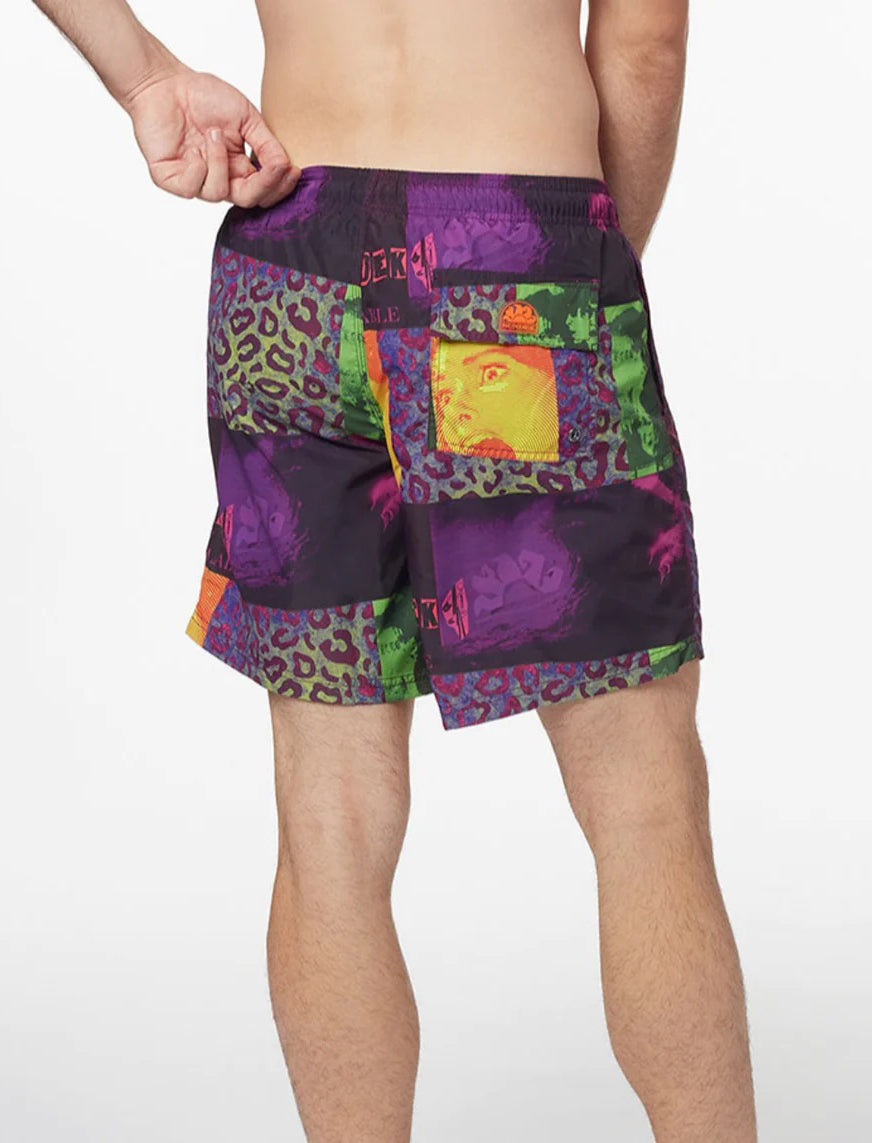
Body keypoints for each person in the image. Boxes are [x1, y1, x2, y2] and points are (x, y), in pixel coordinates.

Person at [31, 1, 758, 1139]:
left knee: (329, 816)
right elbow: (643, 46)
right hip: (509, 257)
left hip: (288, 257)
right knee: (643, 801)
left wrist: (146, 79)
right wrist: (578, 263)